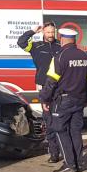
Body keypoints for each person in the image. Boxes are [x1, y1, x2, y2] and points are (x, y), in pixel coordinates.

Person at [40, 28, 87, 172]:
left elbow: (51, 82)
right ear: (74, 39)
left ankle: (69, 164)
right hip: (80, 99)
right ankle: (78, 162)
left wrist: (45, 99)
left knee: (60, 130)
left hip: (63, 101)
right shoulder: (86, 57)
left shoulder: (59, 57)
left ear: (62, 39)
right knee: (75, 131)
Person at [17, 22, 63, 163]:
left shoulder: (60, 46)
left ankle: (64, 149)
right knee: (48, 120)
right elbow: (21, 42)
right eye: (48, 32)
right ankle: (54, 153)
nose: (51, 35)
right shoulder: (36, 46)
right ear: (43, 32)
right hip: (44, 87)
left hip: (59, 87)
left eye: (52, 32)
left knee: (60, 120)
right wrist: (32, 31)